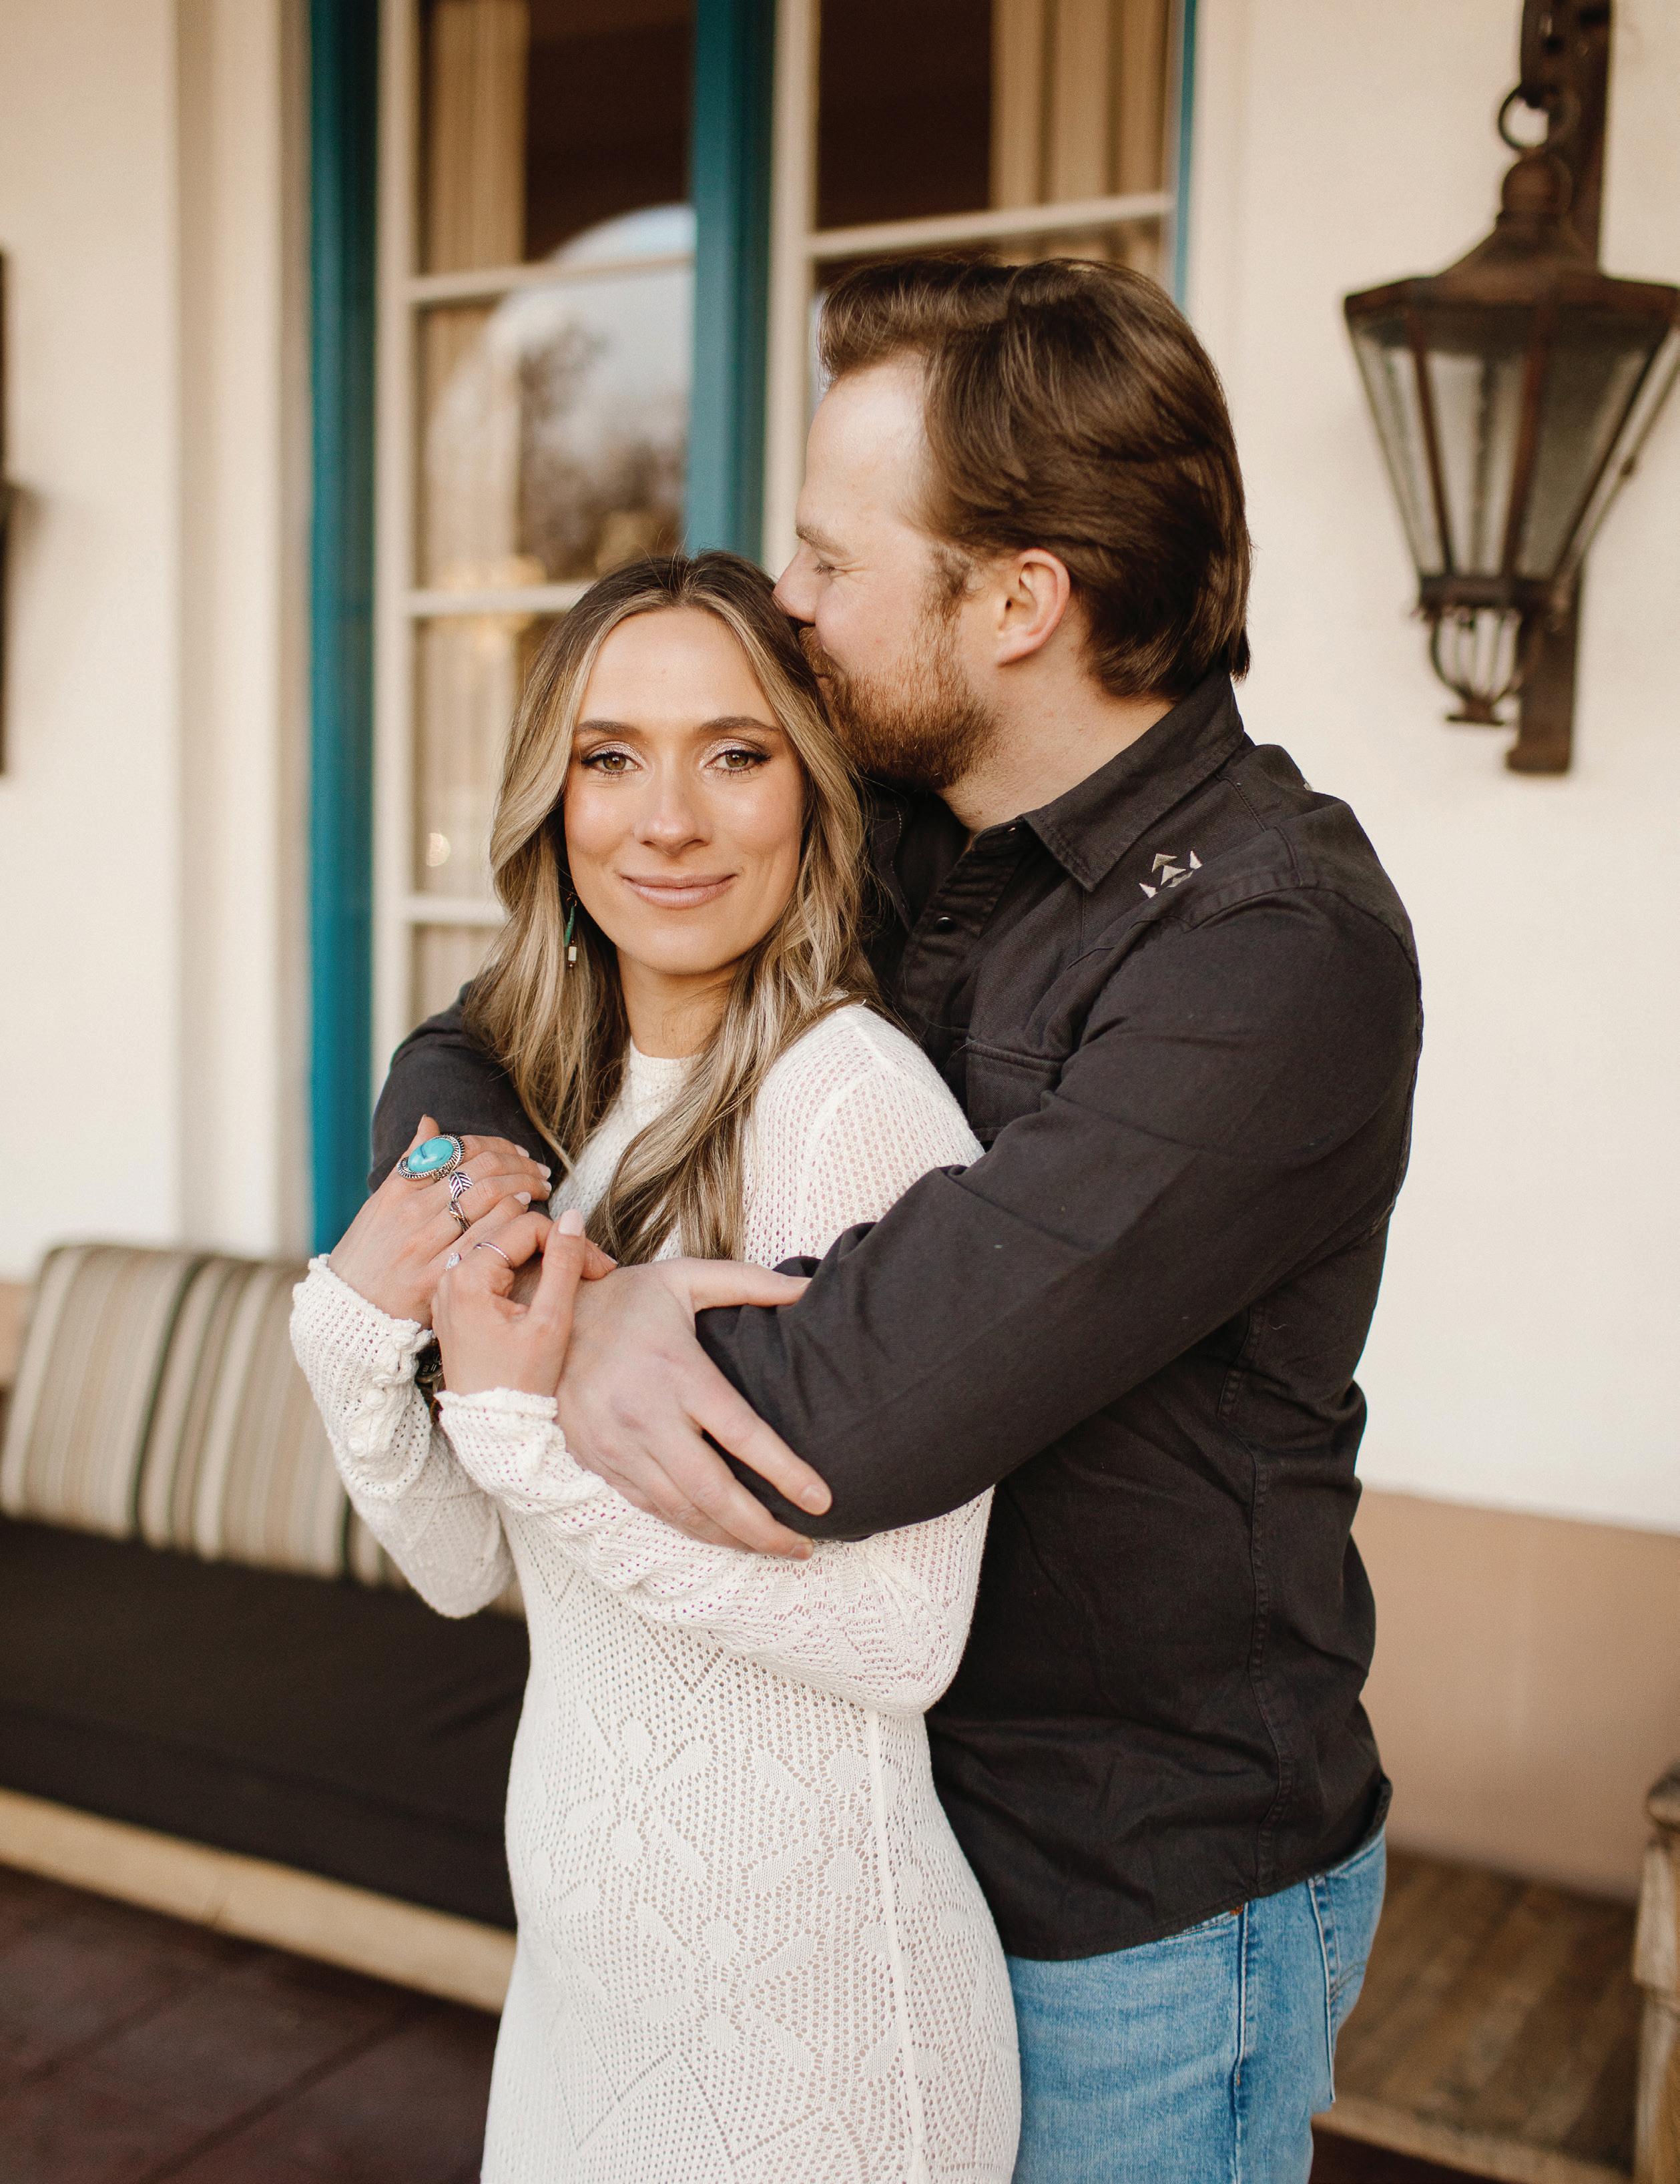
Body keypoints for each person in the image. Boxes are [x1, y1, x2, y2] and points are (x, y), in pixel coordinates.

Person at [377, 258, 1422, 2182]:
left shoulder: (1272, 947)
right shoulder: (911, 828)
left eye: (828, 559)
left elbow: (850, 1410)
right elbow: (485, 1036)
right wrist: (487, 1218)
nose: (783, 600)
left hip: (1130, 1905)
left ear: (1015, 601)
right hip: (865, 1844)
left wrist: (554, 1316)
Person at [292, 554, 1020, 2184]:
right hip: (582, 1991)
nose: (667, 820)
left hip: (810, 2027)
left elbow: (903, 1638)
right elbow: (461, 1563)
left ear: (811, 794)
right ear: (552, 804)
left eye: (734, 754)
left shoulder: (853, 1107)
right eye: (610, 756)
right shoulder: (574, 1110)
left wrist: (525, 1437)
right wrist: (349, 1335)